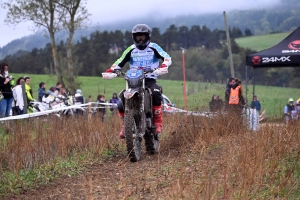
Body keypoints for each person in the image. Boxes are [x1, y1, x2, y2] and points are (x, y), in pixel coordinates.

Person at [105, 24, 172, 139]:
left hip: (149, 79)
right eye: (138, 37)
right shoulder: (131, 49)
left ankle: (157, 122)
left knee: (156, 93)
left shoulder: (153, 47)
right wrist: (112, 70)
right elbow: (120, 61)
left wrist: (163, 66)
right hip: (133, 80)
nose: (140, 39)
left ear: (147, 37)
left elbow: (167, 57)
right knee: (121, 100)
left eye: (142, 37)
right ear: (134, 38)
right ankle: (125, 125)